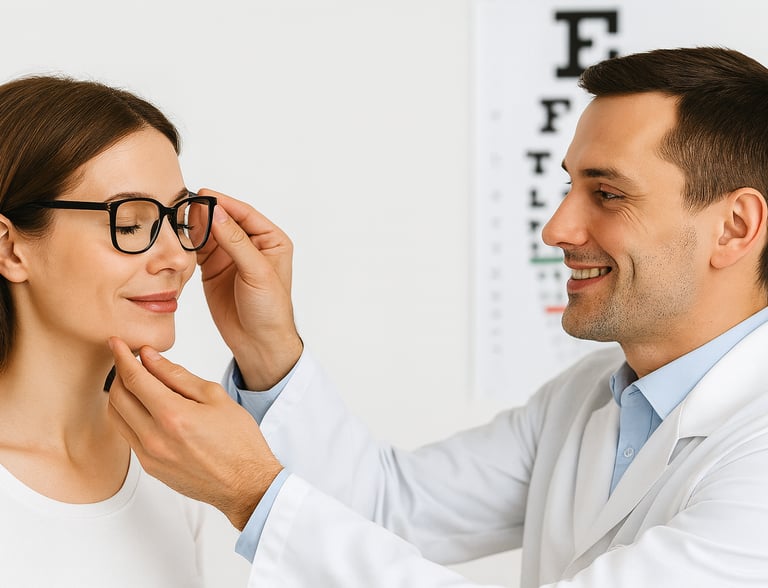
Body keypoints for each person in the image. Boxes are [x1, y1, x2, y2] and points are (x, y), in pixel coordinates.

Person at [108, 46, 768, 587]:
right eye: (568, 186)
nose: (557, 228)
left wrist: (251, 492)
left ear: (735, 226)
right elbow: (388, 509)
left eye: (608, 193)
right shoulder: (590, 399)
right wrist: (269, 346)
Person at [0, 75, 244, 586]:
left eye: (179, 219)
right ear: (10, 249)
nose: (179, 258)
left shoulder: (187, 468)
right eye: (130, 224)